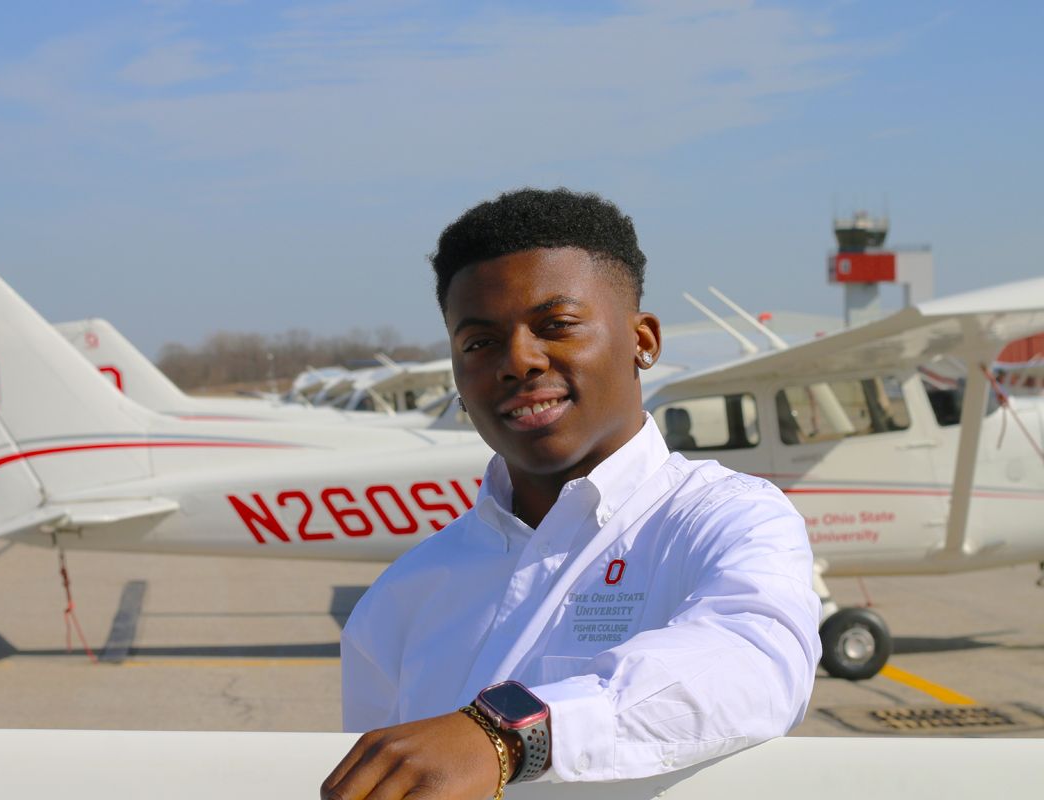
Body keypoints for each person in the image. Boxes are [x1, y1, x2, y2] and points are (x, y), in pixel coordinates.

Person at [322, 188, 821, 800]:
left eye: (556, 326)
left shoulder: (727, 518)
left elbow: (755, 661)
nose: (519, 361)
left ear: (643, 340)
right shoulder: (403, 597)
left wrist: (508, 735)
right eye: (479, 343)